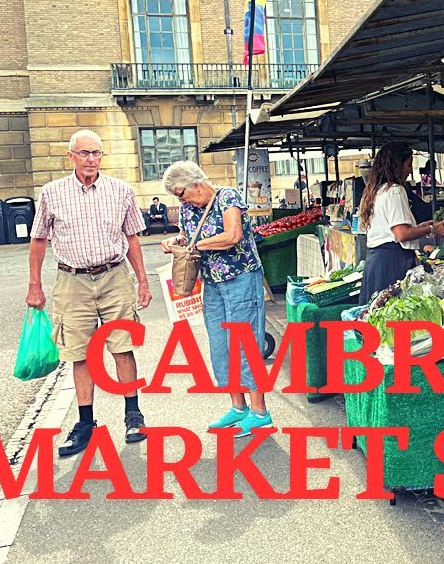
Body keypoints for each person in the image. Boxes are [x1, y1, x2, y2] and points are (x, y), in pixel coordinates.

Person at [27, 129, 152, 457]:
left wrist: (143, 281)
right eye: (84, 153)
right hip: (72, 281)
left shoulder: (121, 191)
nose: (91, 159)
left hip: (114, 277)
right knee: (79, 354)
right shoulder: (52, 193)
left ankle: (133, 415)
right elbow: (38, 240)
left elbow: (132, 238)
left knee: (122, 347)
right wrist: (35, 286)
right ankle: (85, 424)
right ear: (71, 156)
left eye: (96, 153)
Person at [159, 161, 272, 437]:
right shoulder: (188, 207)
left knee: (245, 343)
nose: (180, 200)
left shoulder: (227, 196)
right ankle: (238, 407)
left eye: (181, 193)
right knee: (221, 345)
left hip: (241, 278)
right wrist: (176, 242)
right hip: (212, 283)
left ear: (196, 184)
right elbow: (187, 234)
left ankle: (260, 413)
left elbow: (233, 235)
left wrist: (195, 245)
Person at [359, 143, 444, 303]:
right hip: (392, 262)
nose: (410, 170)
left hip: (377, 261)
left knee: (378, 311)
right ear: (396, 165)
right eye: (408, 165)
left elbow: (394, 230)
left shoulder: (377, 191)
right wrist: (432, 228)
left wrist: (420, 227)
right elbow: (401, 234)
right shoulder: (395, 190)